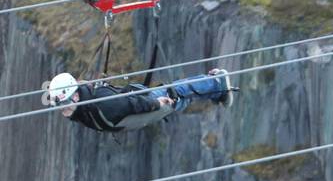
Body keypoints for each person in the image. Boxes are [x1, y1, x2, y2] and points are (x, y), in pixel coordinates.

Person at [47, 69, 235, 133]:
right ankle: (216, 88)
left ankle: (215, 84)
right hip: (139, 107)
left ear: (76, 96)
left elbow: (131, 104)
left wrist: (156, 104)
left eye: (65, 104)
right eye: (60, 106)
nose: (63, 110)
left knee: (177, 94)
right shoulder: (83, 107)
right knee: (178, 97)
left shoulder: (101, 103)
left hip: (143, 104)